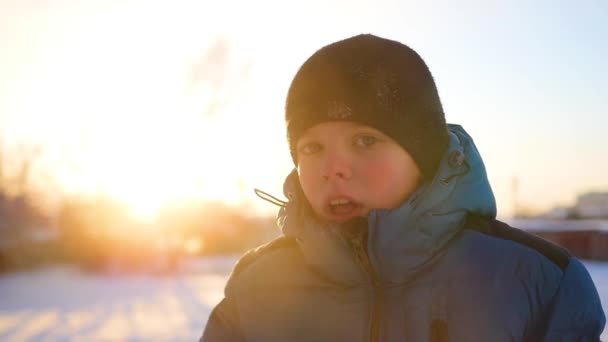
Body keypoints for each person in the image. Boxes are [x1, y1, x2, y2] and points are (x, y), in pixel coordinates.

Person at [200, 33, 605, 341]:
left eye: (365, 140)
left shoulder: (539, 281)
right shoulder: (258, 285)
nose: (333, 168)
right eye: (312, 147)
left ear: (423, 154)